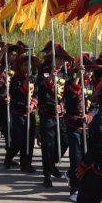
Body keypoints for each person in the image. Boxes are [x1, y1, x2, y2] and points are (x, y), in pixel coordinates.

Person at [64, 54, 99, 201]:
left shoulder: (93, 85)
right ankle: (75, 188)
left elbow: (97, 105)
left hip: (88, 126)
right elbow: (69, 99)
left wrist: (90, 115)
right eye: (86, 69)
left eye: (91, 69)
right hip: (73, 125)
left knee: (88, 159)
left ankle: (84, 184)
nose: (89, 72)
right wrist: (78, 77)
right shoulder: (70, 83)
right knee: (76, 158)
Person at [38, 45, 73, 187]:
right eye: (56, 59)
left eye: (61, 59)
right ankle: (47, 175)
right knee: (48, 145)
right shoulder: (44, 72)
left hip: (61, 114)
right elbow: (40, 90)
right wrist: (50, 78)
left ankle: (52, 164)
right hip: (47, 113)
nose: (59, 62)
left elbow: (68, 94)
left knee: (64, 141)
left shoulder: (66, 74)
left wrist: (63, 105)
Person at [5, 52, 40, 172]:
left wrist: (33, 104)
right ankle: (9, 157)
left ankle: (26, 164)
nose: (27, 67)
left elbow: (36, 94)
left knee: (29, 140)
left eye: (29, 65)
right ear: (20, 66)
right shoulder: (15, 79)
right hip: (18, 113)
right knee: (18, 139)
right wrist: (26, 82)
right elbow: (16, 93)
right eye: (25, 65)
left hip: (30, 113)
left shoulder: (34, 79)